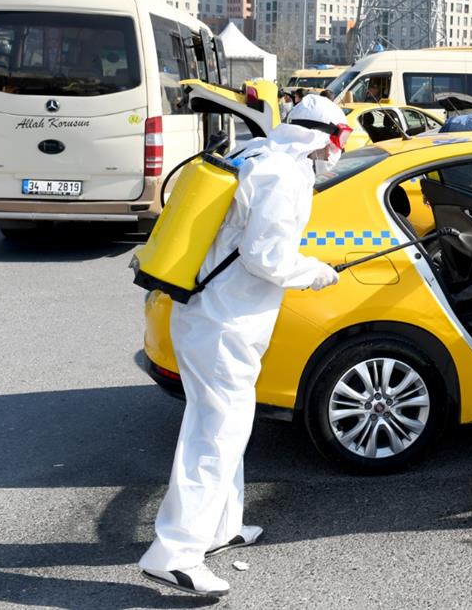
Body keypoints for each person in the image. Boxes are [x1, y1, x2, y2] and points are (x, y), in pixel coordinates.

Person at [139, 94, 352, 597]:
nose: (337, 153)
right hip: (224, 324)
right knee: (215, 435)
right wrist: (316, 273)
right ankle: (174, 552)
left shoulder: (257, 153)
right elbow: (266, 258)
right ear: (323, 137)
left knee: (227, 427)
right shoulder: (285, 174)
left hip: (214, 317)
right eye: (339, 140)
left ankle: (219, 528)